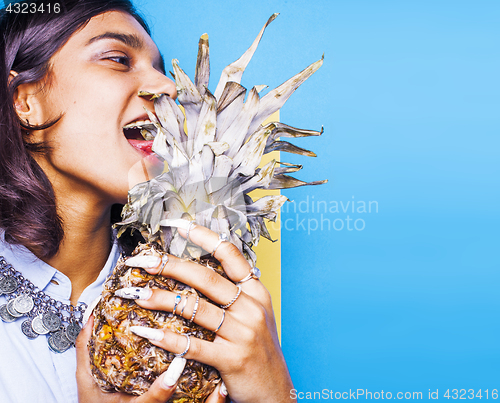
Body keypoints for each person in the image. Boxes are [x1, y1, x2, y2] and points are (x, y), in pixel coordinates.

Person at [0, 0, 294, 402]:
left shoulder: (196, 305)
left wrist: (274, 392)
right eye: (118, 58)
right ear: (25, 101)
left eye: (157, 67)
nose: (169, 87)